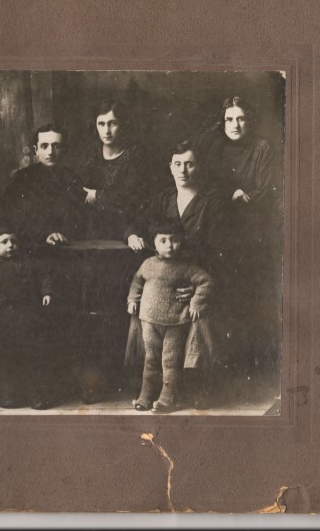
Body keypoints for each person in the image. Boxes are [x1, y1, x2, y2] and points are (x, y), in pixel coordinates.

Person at [124, 140, 229, 407]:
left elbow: (220, 251)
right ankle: (150, 386)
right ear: (170, 167)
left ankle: (195, 384)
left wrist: (194, 289)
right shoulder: (163, 199)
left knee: (199, 316)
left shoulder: (212, 202)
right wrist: (132, 234)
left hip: (196, 280)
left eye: (189, 164)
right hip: (163, 283)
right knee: (144, 316)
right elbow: (136, 223)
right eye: (178, 164)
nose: (183, 170)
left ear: (199, 167)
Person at [197, 97, 282, 372]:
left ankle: (252, 364)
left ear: (249, 120)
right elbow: (207, 184)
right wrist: (229, 193)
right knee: (223, 293)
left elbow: (266, 191)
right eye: (229, 119)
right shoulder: (215, 147)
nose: (235, 125)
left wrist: (242, 198)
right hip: (222, 230)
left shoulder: (262, 148)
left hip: (253, 230)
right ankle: (224, 363)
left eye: (241, 118)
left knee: (251, 296)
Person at [127, 221, 214, 413]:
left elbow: (205, 281)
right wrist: (132, 300)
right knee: (150, 359)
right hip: (149, 321)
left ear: (181, 241)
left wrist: (197, 302)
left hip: (175, 323)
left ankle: (167, 398)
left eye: (174, 240)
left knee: (170, 361)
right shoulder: (148, 264)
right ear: (154, 243)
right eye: (163, 240)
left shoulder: (186, 267)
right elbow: (137, 282)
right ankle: (146, 396)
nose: (169, 245)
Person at [0, 227, 58, 409]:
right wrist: (1, 302)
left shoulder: (27, 261)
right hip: (4, 319)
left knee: (33, 355)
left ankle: (36, 395)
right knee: (7, 357)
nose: (10, 245)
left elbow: (43, 275)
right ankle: (8, 395)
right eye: (4, 242)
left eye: (13, 241)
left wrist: (47, 292)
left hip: (29, 316)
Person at [0, 124, 85, 247]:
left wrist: (61, 234)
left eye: (56, 146)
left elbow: (80, 220)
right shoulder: (21, 178)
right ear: (36, 150)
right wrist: (43, 236)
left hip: (67, 245)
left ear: (64, 149)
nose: (50, 152)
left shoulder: (74, 180)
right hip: (30, 246)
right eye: (44, 146)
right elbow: (10, 218)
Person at [80, 99, 152, 240]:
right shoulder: (91, 153)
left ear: (122, 124)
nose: (106, 131)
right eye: (101, 124)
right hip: (95, 228)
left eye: (112, 123)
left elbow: (134, 198)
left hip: (129, 230)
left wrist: (98, 196)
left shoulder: (136, 153)